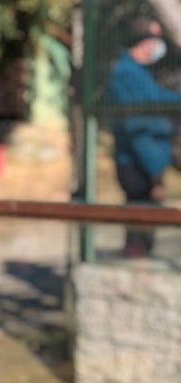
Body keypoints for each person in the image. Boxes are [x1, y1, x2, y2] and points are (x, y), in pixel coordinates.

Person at [106, 18, 181, 257]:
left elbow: (160, 99)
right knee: (140, 227)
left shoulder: (140, 73)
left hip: (146, 163)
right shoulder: (125, 75)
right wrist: (154, 173)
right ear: (144, 42)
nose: (159, 46)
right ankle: (138, 273)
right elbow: (138, 126)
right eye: (155, 39)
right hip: (137, 165)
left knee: (145, 229)